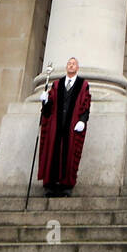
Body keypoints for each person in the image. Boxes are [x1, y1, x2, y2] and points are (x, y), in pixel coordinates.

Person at [38, 56, 90, 197]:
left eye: (73, 64)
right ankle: (50, 186)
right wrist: (45, 100)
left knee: (70, 153)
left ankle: (66, 186)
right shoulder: (57, 84)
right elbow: (48, 109)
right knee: (52, 152)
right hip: (56, 125)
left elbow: (86, 104)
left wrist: (83, 120)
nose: (71, 66)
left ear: (77, 67)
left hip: (72, 125)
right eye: (69, 63)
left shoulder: (83, 85)